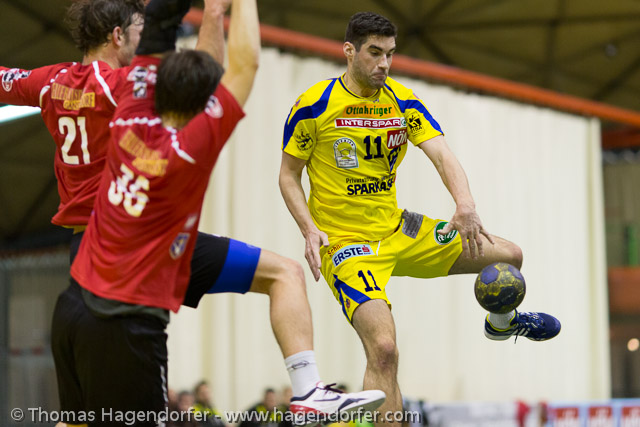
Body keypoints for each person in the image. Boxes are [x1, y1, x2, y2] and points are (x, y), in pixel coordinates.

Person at [1, 0, 386, 421]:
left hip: (86, 268)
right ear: (117, 35)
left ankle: (310, 391)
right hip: (142, 256)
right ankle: (308, 389)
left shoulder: (92, 100)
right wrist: (217, 13)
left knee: (75, 417)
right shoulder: (138, 100)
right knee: (285, 274)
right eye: (137, 31)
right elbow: (223, 70)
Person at [278, 11, 562, 427]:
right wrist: (309, 229)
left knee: (509, 256)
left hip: (399, 229)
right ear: (349, 51)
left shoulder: (403, 100)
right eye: (374, 53)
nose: (384, 64)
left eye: (390, 54)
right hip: (347, 244)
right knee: (384, 349)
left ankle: (501, 324)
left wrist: (465, 203)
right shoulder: (314, 104)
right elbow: (288, 176)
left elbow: (442, 153)